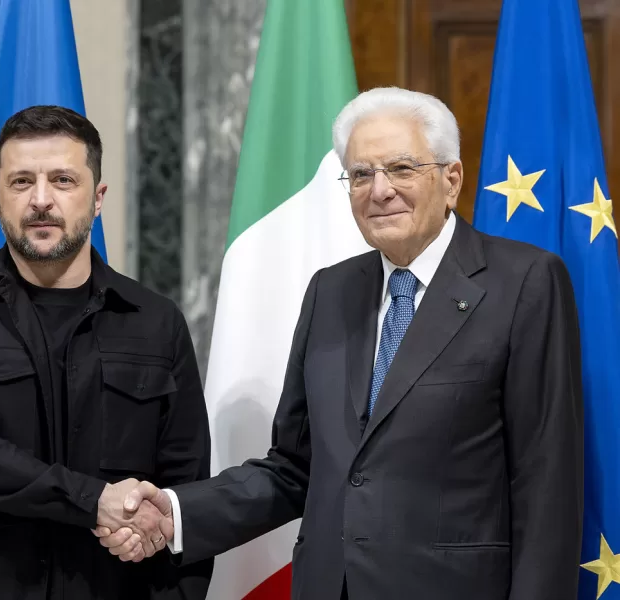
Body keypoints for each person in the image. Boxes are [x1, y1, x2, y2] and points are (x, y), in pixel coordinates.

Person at [98, 87, 585, 600]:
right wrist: (175, 514)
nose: (379, 190)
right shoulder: (330, 291)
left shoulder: (524, 282)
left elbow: (546, 484)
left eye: (401, 168)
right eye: (361, 174)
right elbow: (294, 466)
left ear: (451, 179)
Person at [0, 104, 213, 600]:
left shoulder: (156, 321)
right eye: (21, 182)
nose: (41, 200)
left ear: (97, 198)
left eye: (64, 180)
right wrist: (95, 503)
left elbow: (186, 484)